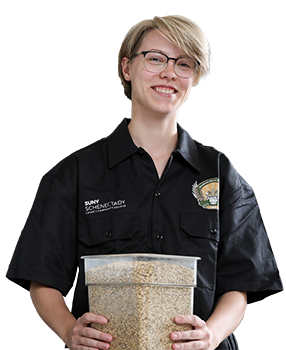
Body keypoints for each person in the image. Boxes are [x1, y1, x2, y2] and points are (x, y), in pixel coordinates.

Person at [7, 15, 282, 350]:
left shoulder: (220, 174)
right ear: (127, 68)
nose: (169, 73)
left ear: (193, 77)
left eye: (184, 63)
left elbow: (241, 283)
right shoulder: (77, 173)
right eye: (155, 59)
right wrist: (68, 330)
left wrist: (211, 335)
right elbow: (42, 277)